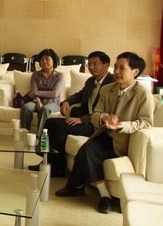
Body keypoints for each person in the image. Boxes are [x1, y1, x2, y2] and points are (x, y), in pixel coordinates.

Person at [56, 52, 155, 214]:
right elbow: (96, 114)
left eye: (122, 68)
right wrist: (104, 118)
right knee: (86, 149)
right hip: (104, 135)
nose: (116, 71)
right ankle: (105, 195)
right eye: (115, 67)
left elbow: (146, 122)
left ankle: (75, 186)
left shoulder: (143, 94)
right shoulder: (107, 89)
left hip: (124, 139)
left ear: (135, 72)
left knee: (85, 151)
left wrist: (122, 125)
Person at [30, 51, 115, 177]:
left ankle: (56, 165)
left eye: (95, 64)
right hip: (85, 120)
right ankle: (53, 164)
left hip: (96, 125)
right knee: (52, 124)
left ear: (106, 65)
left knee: (54, 125)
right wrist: (67, 102)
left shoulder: (112, 83)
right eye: (89, 64)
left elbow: (109, 110)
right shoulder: (91, 80)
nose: (91, 67)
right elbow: (80, 95)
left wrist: (84, 119)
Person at [20, 48, 64, 142]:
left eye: (47, 59)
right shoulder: (35, 75)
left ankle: (39, 138)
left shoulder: (60, 76)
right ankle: (24, 134)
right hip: (37, 101)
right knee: (26, 108)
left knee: (45, 109)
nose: (44, 61)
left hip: (53, 103)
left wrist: (36, 93)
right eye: (42, 59)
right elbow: (33, 90)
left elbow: (54, 93)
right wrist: (38, 101)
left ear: (53, 61)